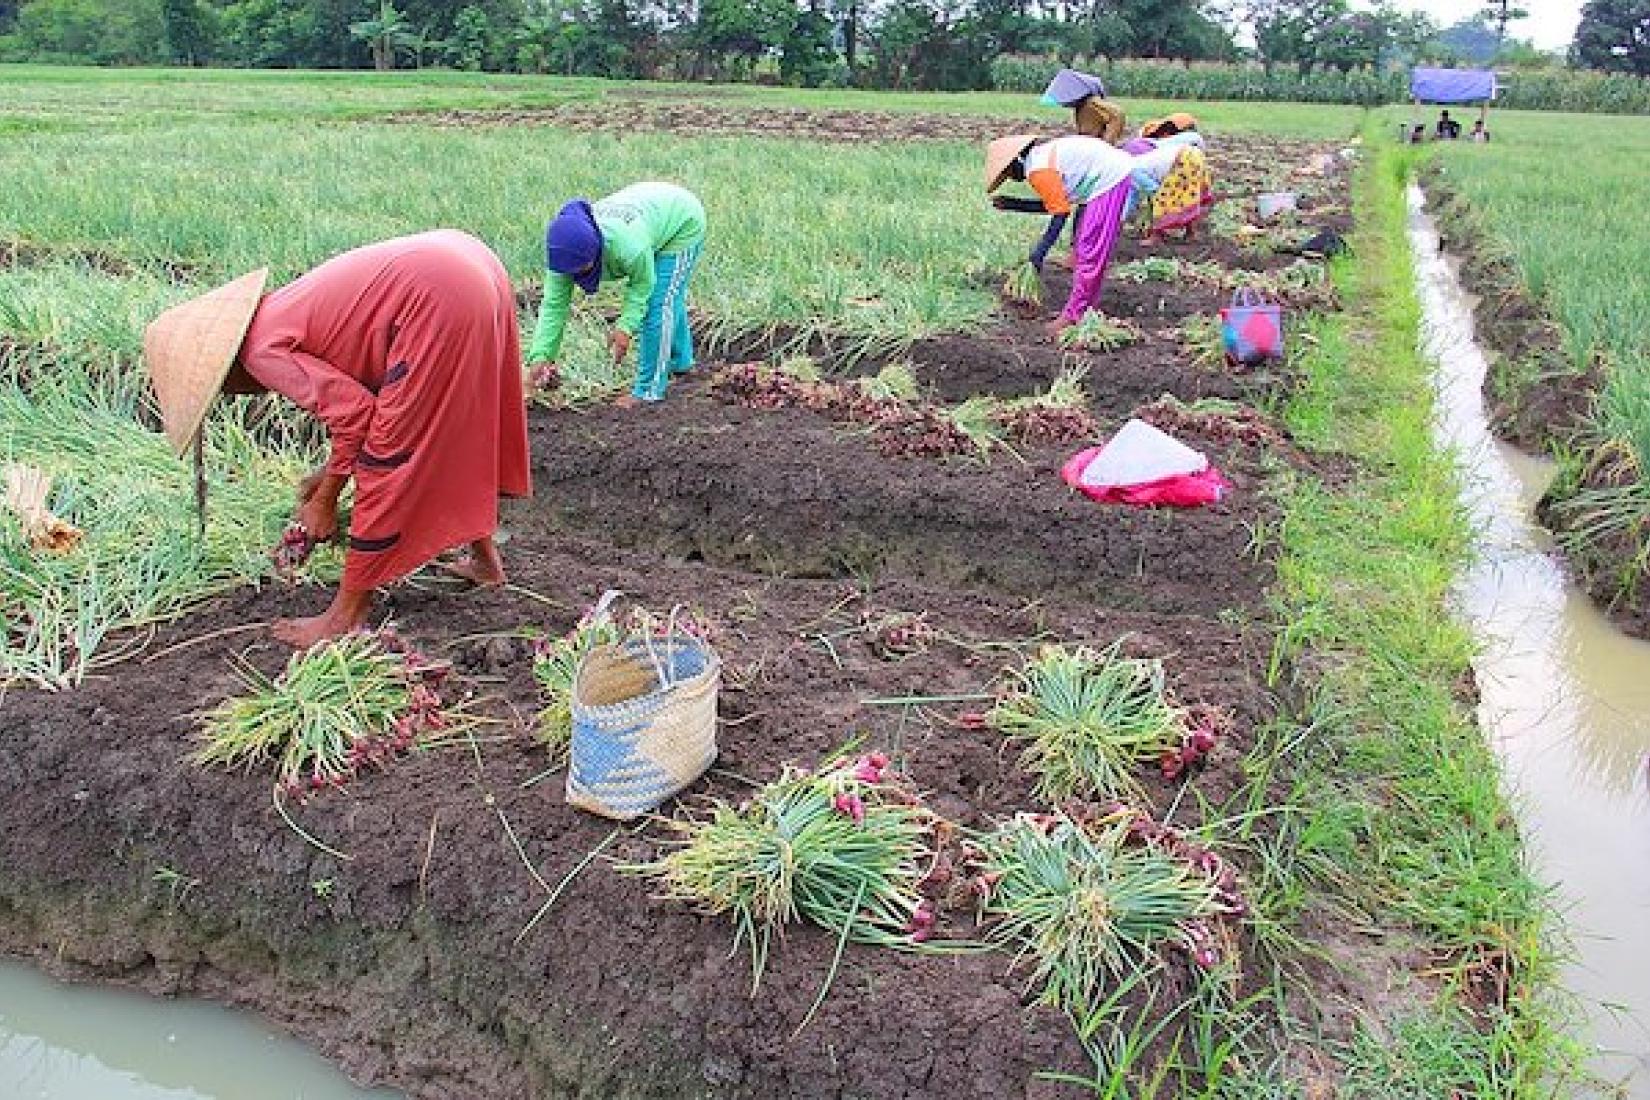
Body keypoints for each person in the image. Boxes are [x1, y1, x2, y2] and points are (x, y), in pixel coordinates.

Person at [141, 230, 531, 648]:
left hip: (438, 297)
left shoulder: (259, 351)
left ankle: (345, 616)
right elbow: (361, 392)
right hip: (471, 264)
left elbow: (359, 418)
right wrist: (329, 474)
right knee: (452, 430)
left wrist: (325, 500)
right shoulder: (277, 309)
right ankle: (485, 561)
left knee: (391, 457)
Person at [527, 181, 705, 409]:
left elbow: (642, 288)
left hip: (682, 219)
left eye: (581, 270)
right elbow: (554, 306)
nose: (574, 276)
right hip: (650, 213)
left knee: (659, 304)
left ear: (596, 252)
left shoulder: (628, 249)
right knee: (668, 296)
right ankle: (681, 362)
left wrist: (625, 328)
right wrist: (541, 356)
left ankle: (648, 390)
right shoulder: (563, 255)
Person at [987, 133, 1139, 339]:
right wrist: (1014, 204)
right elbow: (1056, 204)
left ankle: (1073, 314)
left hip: (1109, 178)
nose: (1011, 178)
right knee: (1088, 249)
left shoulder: (1038, 170)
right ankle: (1084, 308)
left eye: (1008, 173)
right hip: (1110, 175)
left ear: (1015, 162)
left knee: (1090, 250)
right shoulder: (1039, 160)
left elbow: (1060, 214)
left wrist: (1038, 255)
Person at [1128, 133, 1215, 241]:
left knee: (1162, 198)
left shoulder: (1131, 171)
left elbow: (1153, 190)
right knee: (1187, 197)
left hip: (1183, 159)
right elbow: (1133, 196)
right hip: (1194, 155)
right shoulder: (1137, 163)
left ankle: (1155, 236)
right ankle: (1190, 233)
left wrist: (1119, 219)